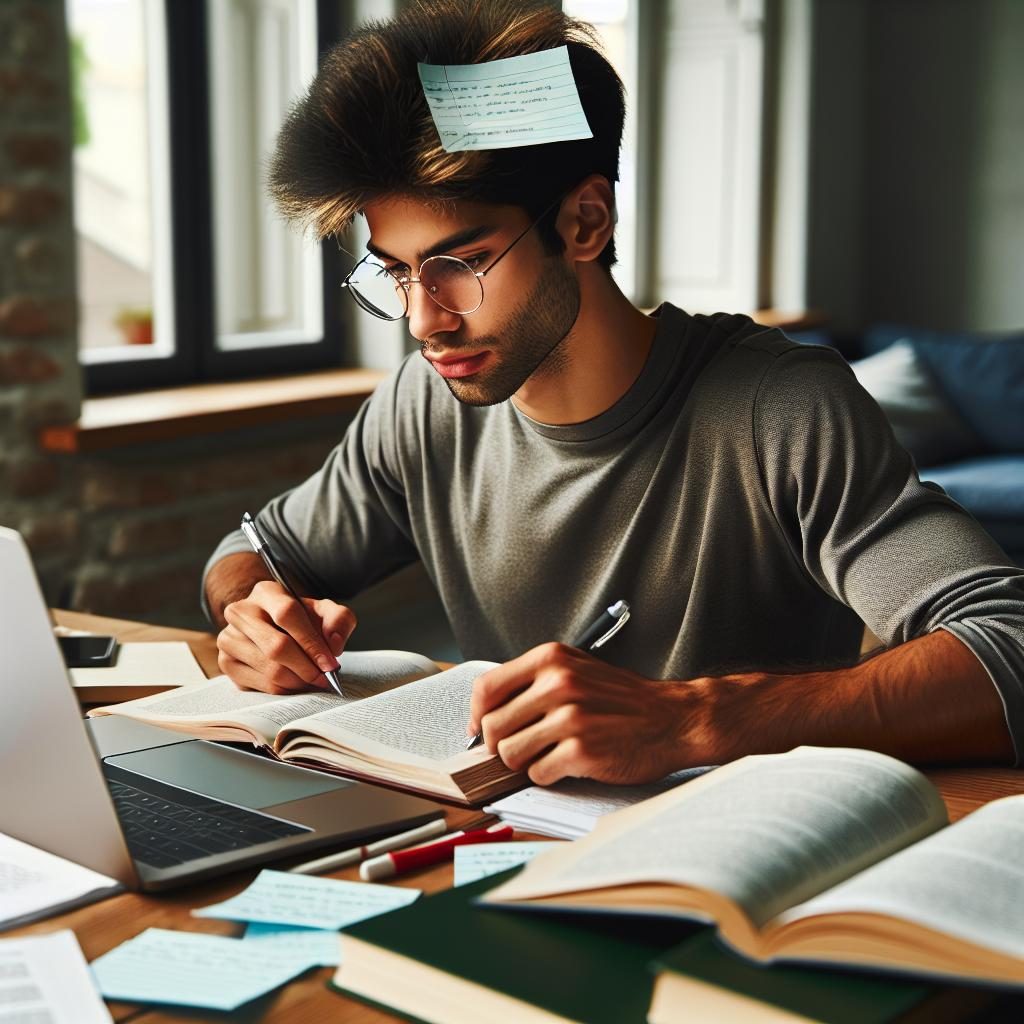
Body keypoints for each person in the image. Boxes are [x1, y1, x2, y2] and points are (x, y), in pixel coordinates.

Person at [203, 0, 1023, 785]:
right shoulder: (423, 406)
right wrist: (254, 612)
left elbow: (1009, 645)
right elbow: (249, 554)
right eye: (397, 272)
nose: (424, 321)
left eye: (460, 265)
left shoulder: (781, 407)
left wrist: (689, 719)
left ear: (585, 223)